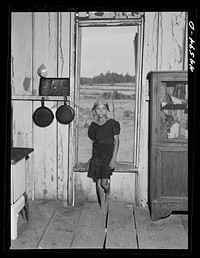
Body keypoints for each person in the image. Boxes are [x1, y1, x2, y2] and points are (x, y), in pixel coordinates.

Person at [87, 97, 120, 214]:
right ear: (94, 110)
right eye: (98, 109)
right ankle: (103, 205)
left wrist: (113, 158)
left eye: (103, 109)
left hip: (108, 157)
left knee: (104, 183)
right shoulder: (93, 126)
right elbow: (94, 141)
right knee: (98, 181)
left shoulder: (113, 124)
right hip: (97, 157)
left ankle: (108, 190)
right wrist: (92, 159)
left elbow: (116, 141)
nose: (101, 111)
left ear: (107, 110)